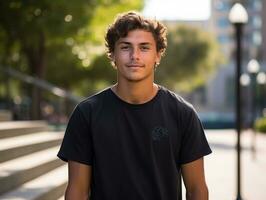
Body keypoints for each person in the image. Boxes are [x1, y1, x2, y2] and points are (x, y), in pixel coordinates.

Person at [58, 11, 212, 200]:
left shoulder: (182, 114)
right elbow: (77, 191)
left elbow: (197, 190)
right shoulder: (86, 114)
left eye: (144, 47)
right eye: (125, 47)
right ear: (113, 54)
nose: (134, 56)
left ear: (158, 55)